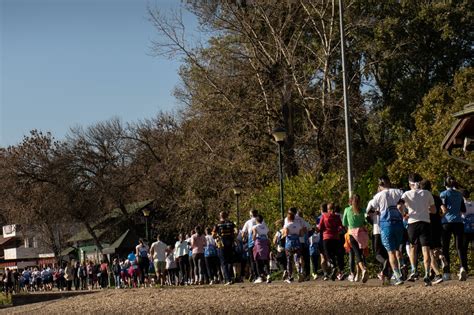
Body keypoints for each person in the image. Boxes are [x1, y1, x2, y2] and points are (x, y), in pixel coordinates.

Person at [399, 174, 436, 286]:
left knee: (412, 247)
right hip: (425, 222)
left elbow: (399, 206)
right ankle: (426, 274)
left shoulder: (406, 194)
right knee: (426, 249)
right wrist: (425, 209)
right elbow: (434, 210)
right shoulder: (427, 193)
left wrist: (404, 214)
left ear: (410, 183)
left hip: (412, 223)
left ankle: (414, 270)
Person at [372, 175, 404, 285]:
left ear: (380, 185)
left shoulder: (377, 196)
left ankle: (397, 275)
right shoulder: (399, 192)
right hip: (399, 224)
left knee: (390, 253)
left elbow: (369, 211)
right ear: (389, 183)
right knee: (398, 250)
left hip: (385, 226)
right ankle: (403, 264)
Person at [440, 176, 467, 281]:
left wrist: (440, 216)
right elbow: (463, 210)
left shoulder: (443, 194)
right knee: (460, 247)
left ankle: (447, 272)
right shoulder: (460, 194)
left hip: (446, 222)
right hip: (458, 222)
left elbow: (444, 208)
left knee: (445, 247)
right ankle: (462, 267)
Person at [420, 179, 445, 284]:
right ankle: (441, 257)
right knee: (436, 248)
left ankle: (437, 274)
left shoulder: (422, 198)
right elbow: (444, 209)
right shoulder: (436, 197)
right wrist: (440, 217)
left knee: (429, 252)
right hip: (438, 224)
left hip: (427, 224)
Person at [342, 194, 369, 283]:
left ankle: (363, 269)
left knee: (357, 254)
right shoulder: (363, 209)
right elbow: (366, 220)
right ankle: (358, 274)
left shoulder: (347, 210)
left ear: (350, 201)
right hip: (362, 234)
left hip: (352, 234)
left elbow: (344, 223)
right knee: (359, 254)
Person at [319, 203, 345, 281]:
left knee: (327, 255)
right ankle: (336, 270)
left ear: (328, 209)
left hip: (326, 238)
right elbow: (341, 227)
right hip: (336, 238)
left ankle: (333, 266)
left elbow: (320, 227)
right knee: (334, 254)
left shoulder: (324, 216)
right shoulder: (337, 217)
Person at [213, 211, 236, 285]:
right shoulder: (231, 223)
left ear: (220, 216)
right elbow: (236, 231)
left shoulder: (217, 224)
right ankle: (231, 278)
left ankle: (228, 279)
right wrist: (233, 237)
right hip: (230, 243)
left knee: (223, 262)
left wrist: (217, 237)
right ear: (226, 216)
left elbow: (213, 234)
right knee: (230, 261)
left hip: (222, 244)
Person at [283, 209, 304, 283]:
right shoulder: (298, 225)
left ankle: (290, 276)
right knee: (297, 259)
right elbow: (301, 234)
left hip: (289, 243)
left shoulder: (287, 225)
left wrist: (282, 235)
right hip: (297, 242)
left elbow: (286, 234)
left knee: (289, 260)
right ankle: (299, 272)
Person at [252, 214, 271, 283]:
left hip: (258, 242)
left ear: (256, 220)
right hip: (265, 242)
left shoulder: (255, 227)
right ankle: (268, 274)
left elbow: (254, 235)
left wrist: (253, 239)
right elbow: (269, 235)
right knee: (266, 260)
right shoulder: (265, 227)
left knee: (257, 259)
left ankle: (260, 276)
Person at [242, 209, 259, 281]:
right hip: (260, 241)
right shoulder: (261, 220)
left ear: (251, 215)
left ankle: (255, 275)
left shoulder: (248, 222)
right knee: (259, 259)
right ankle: (261, 273)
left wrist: (244, 238)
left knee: (252, 260)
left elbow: (243, 232)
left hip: (251, 241)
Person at [461, 189, 474, 274]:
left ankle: (465, 269)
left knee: (463, 250)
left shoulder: (462, 205)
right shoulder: (473, 203)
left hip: (465, 229)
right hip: (473, 229)